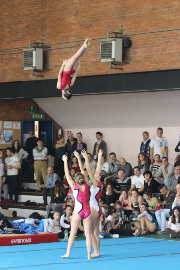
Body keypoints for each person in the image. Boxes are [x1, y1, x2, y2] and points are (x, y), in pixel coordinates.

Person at [61, 152, 93, 260]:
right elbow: (85, 170)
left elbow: (67, 174)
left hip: (78, 211)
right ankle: (89, 255)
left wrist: (65, 161)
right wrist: (80, 158)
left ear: (76, 180)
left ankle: (68, 253)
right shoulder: (87, 185)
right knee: (88, 234)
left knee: (72, 233)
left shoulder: (74, 186)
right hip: (87, 211)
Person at [82, 149, 103, 257]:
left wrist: (86, 157)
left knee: (89, 231)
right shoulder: (97, 184)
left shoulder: (96, 183)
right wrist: (99, 157)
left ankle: (96, 251)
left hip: (94, 208)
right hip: (96, 207)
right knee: (95, 232)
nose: (95, 173)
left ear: (99, 178)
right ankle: (97, 251)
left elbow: (89, 171)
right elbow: (97, 170)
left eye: (97, 174)